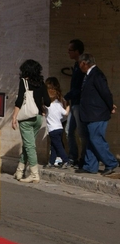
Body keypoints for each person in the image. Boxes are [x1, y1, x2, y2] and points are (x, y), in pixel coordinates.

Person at [75, 53, 118, 176]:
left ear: (84, 63)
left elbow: (105, 92)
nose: (79, 66)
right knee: (90, 140)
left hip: (97, 114)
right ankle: (90, 166)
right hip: (91, 114)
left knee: (96, 139)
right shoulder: (89, 75)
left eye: (79, 63)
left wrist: (110, 106)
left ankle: (111, 163)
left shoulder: (97, 75)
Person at [12, 59, 51, 183]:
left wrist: (14, 117)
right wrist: (41, 106)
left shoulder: (24, 82)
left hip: (26, 118)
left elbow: (19, 101)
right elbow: (48, 102)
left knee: (30, 146)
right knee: (28, 145)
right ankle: (19, 171)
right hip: (38, 118)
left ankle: (34, 174)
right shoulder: (42, 84)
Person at [64, 39, 88, 169]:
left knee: (81, 132)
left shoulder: (82, 67)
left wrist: (67, 96)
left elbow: (80, 88)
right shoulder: (76, 66)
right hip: (74, 104)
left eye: (70, 50)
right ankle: (72, 157)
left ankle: (83, 158)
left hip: (79, 104)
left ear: (77, 51)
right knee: (68, 131)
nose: (68, 52)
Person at [44, 77, 70, 169]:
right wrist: (69, 106)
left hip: (52, 129)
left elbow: (43, 112)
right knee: (54, 146)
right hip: (60, 127)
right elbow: (66, 113)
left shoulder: (47, 106)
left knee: (58, 146)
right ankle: (51, 162)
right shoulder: (59, 103)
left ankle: (65, 160)